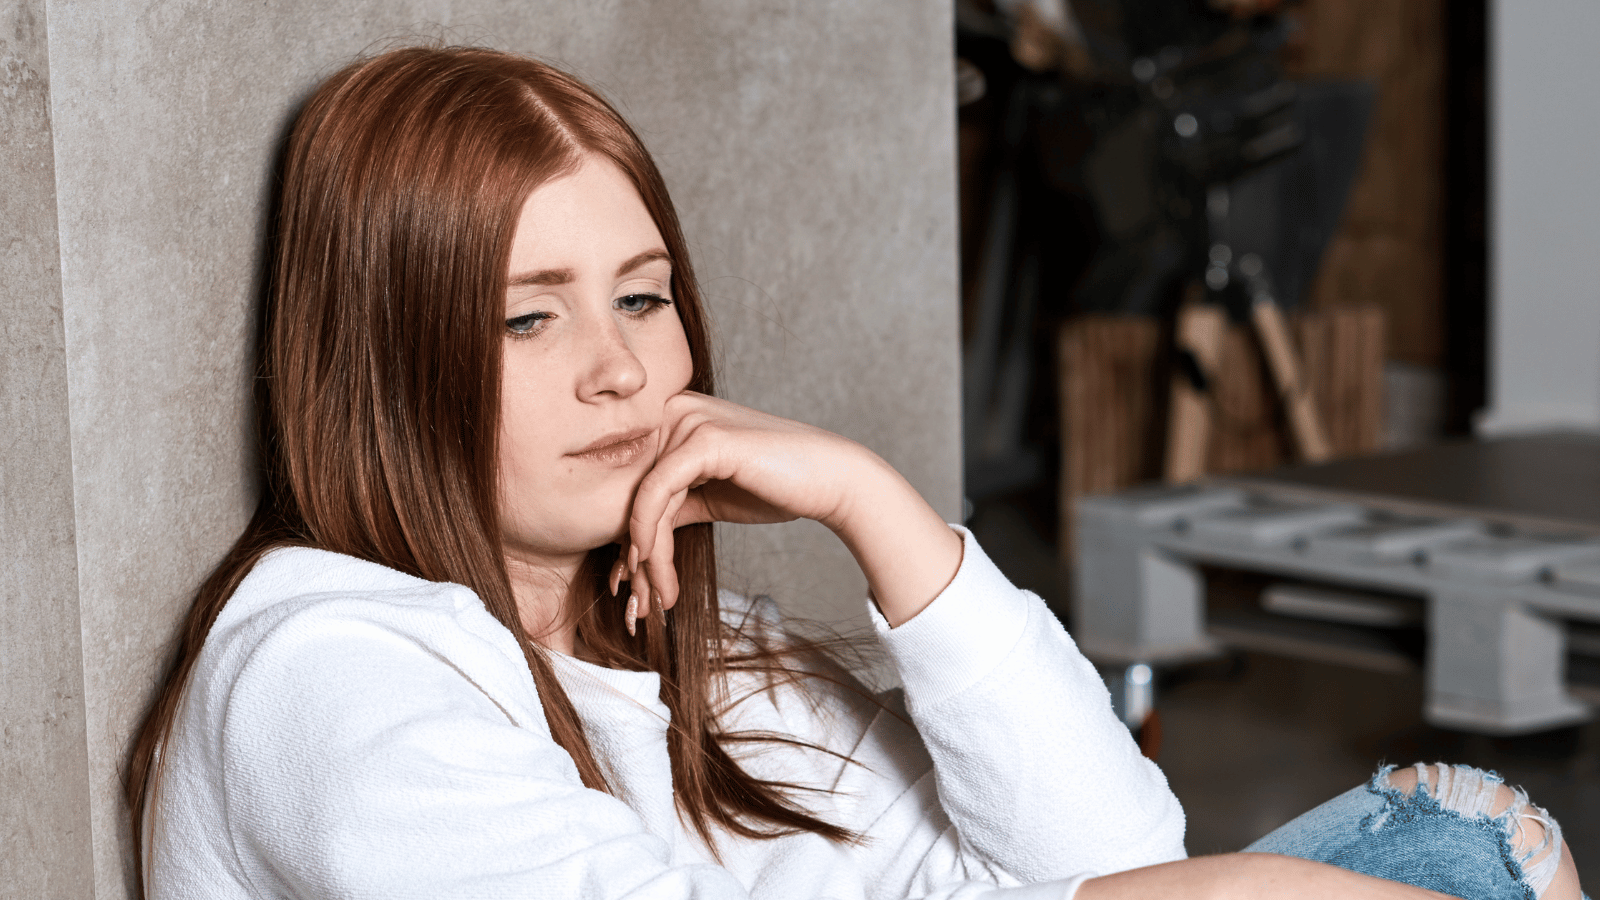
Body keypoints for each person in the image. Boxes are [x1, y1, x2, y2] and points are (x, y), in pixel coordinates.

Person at [128, 45, 1583, 900]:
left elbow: (1109, 856)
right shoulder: (323, 668)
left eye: (643, 297)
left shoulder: (700, 651)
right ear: (383, 358)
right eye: (527, 315)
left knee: (1471, 838)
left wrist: (875, 511)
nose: (621, 370)